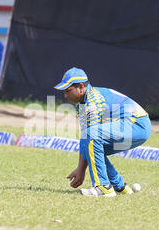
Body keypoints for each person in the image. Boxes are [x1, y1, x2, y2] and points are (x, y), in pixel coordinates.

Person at [55, 67, 152, 197]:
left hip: (137, 124)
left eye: (68, 91)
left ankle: (103, 187)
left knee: (92, 137)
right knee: (94, 147)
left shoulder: (93, 100)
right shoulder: (83, 104)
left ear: (81, 87)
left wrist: (81, 170)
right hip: (135, 126)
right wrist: (80, 168)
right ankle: (121, 187)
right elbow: (86, 139)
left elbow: (91, 134)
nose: (65, 95)